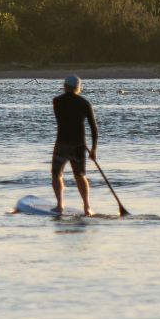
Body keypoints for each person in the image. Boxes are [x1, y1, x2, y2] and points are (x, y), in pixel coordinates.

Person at [51, 74, 98, 214]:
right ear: (78, 87)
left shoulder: (56, 101)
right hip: (79, 145)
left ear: (64, 86)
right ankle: (86, 207)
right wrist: (93, 150)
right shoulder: (84, 103)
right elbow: (93, 128)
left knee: (56, 174)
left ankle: (60, 205)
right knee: (79, 175)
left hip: (62, 144)